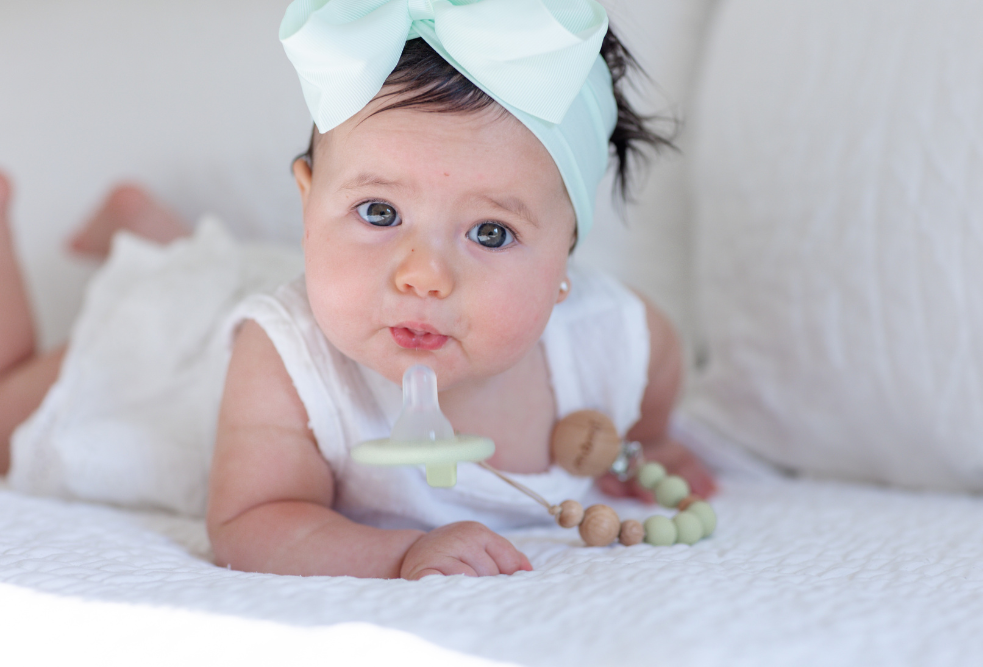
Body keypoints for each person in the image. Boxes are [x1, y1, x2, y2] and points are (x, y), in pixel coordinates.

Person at [0, 0, 714, 580]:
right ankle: (121, 244)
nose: (424, 275)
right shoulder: (281, 356)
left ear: (566, 254)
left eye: (491, 233)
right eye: (379, 212)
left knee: (227, 266)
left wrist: (649, 442)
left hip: (291, 281)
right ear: (310, 206)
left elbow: (656, 372)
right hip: (173, 360)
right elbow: (254, 518)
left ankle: (162, 237)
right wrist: (397, 554)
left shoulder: (616, 336)